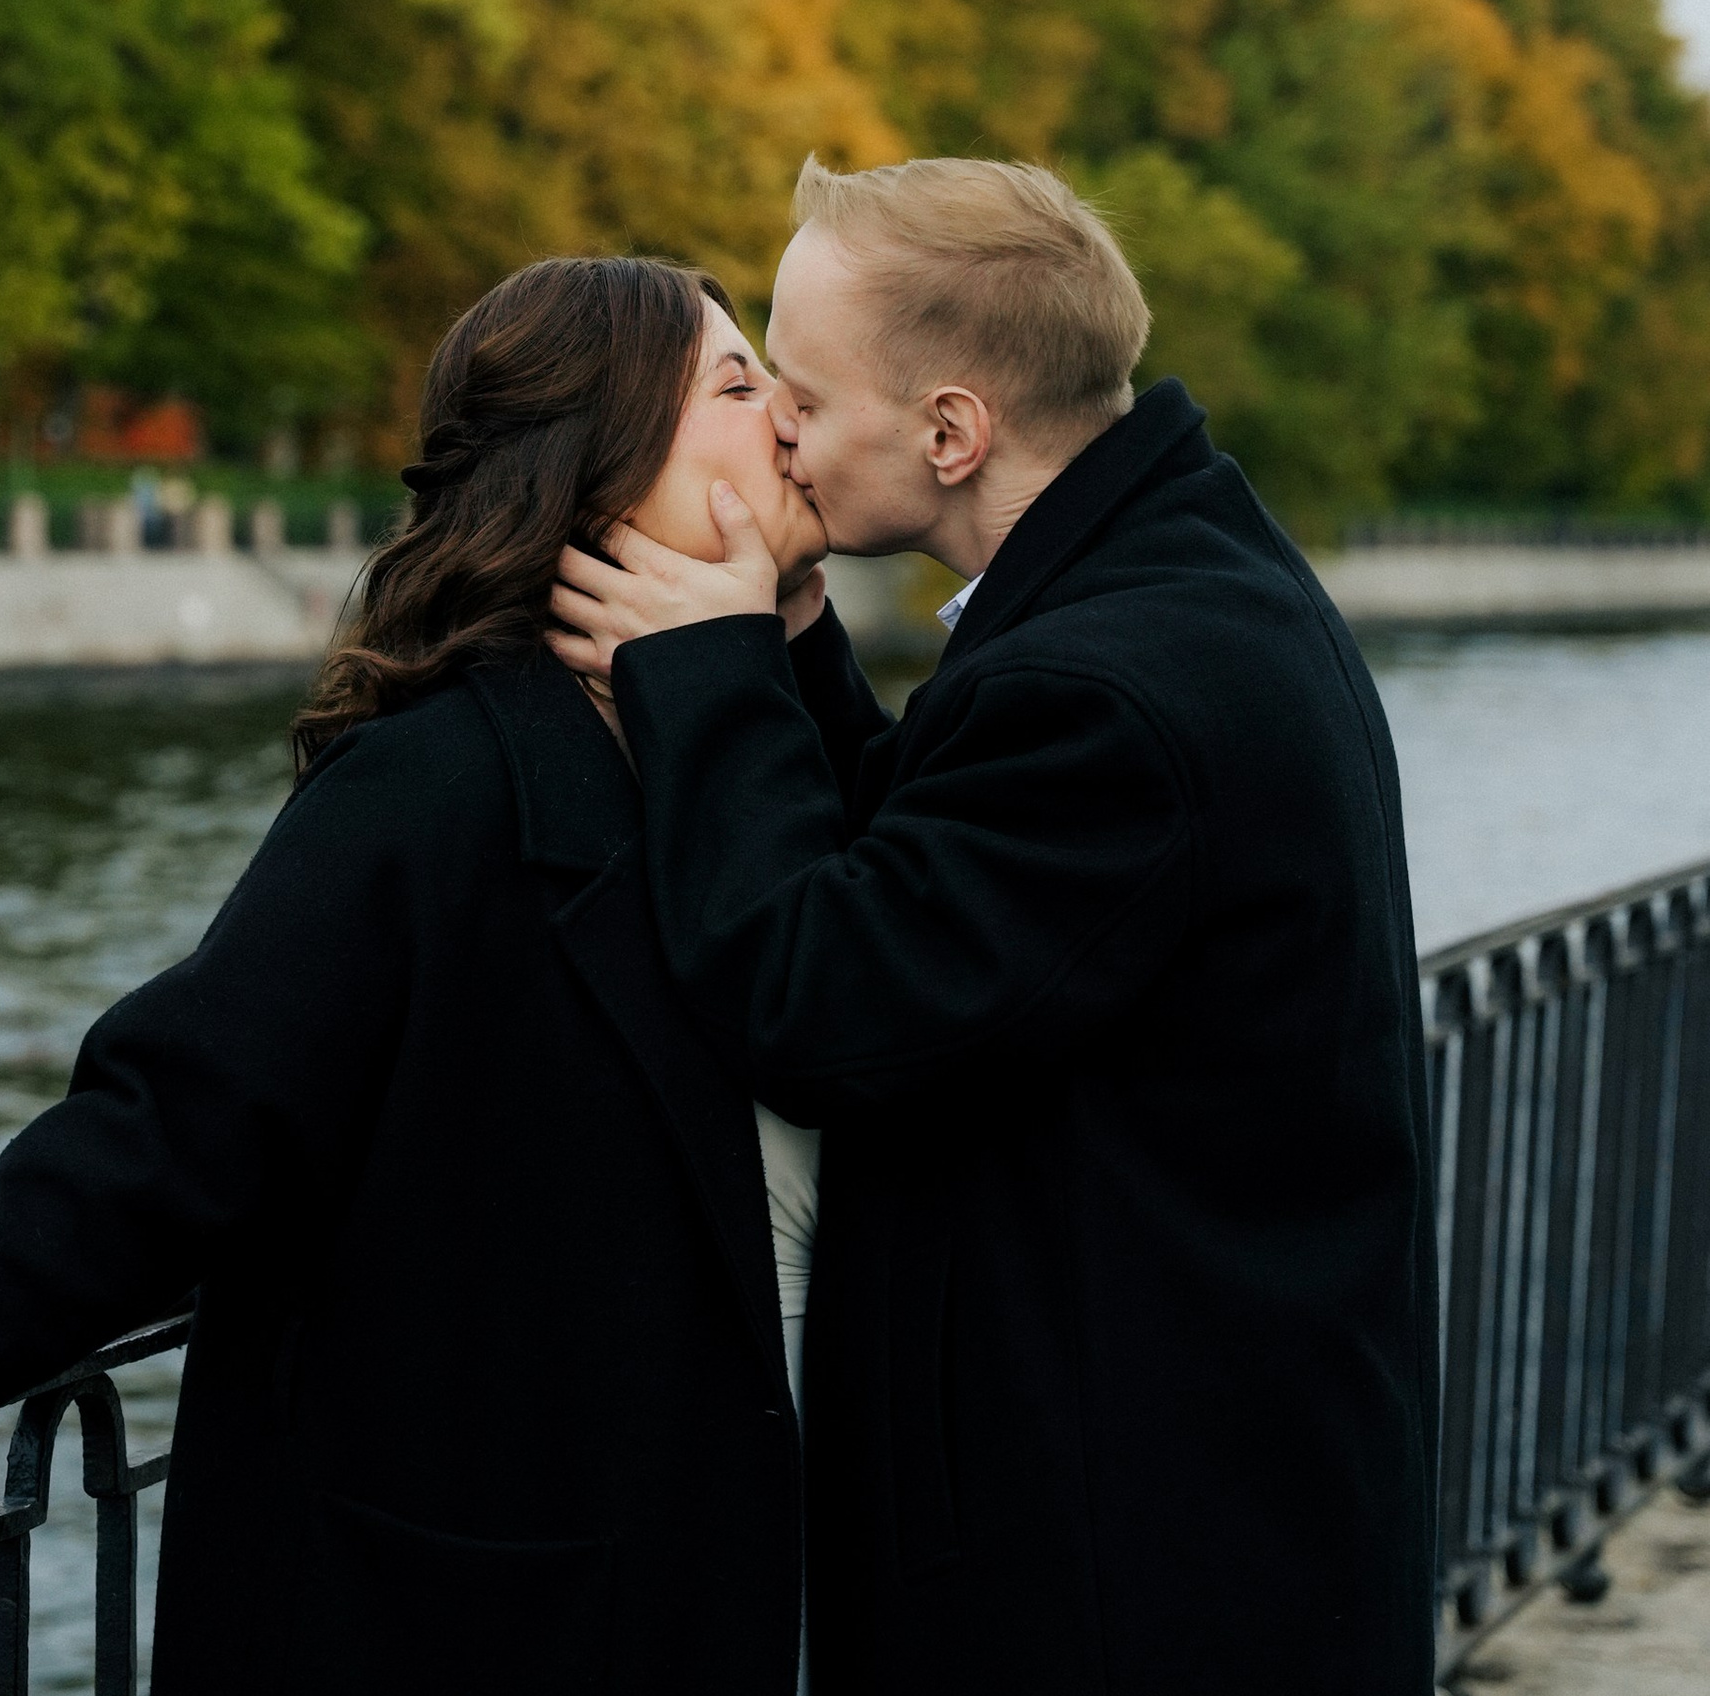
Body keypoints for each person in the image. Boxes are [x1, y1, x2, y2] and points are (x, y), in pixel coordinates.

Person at [0, 255, 834, 1696]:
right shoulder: (439, 789)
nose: (792, 414)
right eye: (736, 385)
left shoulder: (746, 765)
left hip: (706, 1595)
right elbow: (161, 1140)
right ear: (600, 474)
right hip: (475, 1625)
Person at [549, 157, 1440, 1696]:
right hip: (1202, 1491)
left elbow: (824, 1001)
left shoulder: (1102, 689)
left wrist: (700, 678)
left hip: (1127, 1561)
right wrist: (793, 640)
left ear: (951, 431)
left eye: (806, 400)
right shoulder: (1176, 585)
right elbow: (938, 867)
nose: (776, 435)